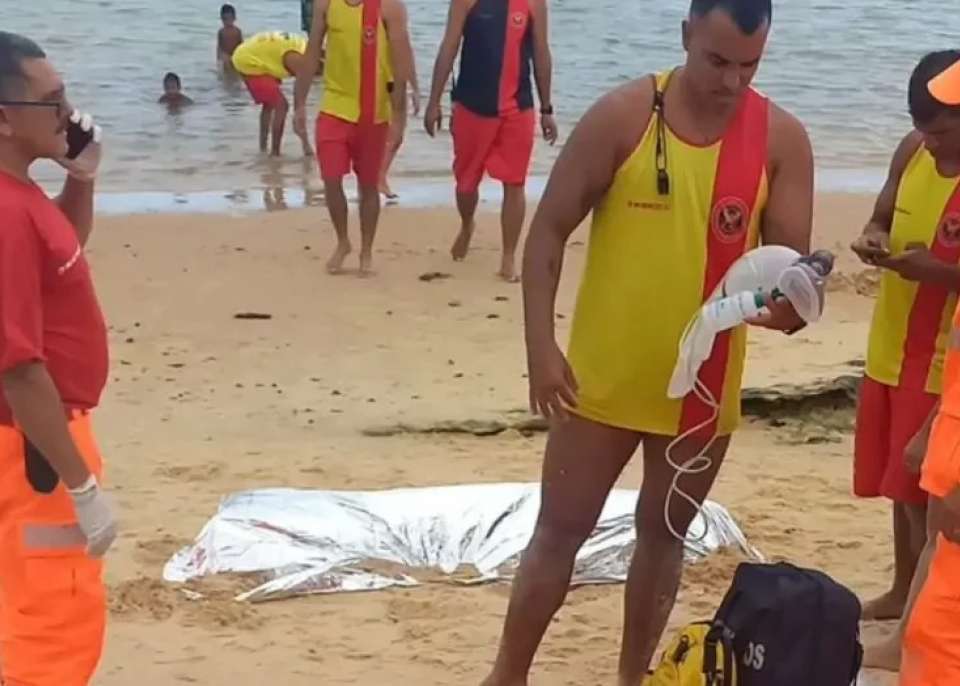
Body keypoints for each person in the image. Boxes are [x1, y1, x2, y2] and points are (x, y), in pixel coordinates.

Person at [479, 1, 815, 684]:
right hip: (600, 378)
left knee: (663, 537)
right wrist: (541, 349)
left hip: (702, 386)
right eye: (716, 60)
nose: (730, 81)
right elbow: (547, 233)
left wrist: (791, 308)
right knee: (558, 532)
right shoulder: (623, 116)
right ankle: (507, 675)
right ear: (686, 35)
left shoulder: (782, 139)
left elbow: (786, 278)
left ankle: (632, 679)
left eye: (748, 65)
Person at [0, 31, 117, 686]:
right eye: (52, 102)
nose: (69, 114)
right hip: (35, 451)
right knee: (55, 623)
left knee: (35, 602)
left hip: (42, 437)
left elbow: (63, 246)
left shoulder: (21, 197)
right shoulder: (5, 213)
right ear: (4, 119)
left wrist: (82, 178)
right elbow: (18, 367)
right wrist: (80, 485)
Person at [849, 49, 960, 672]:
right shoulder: (912, 150)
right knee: (898, 484)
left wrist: (936, 271)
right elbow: (882, 213)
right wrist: (873, 237)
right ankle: (899, 590)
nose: (929, 142)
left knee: (930, 494)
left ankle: (918, 622)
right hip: (892, 341)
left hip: (943, 355)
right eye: (921, 128)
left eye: (941, 131)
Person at [424, 0, 557, 282]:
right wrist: (434, 102)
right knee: (465, 184)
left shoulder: (534, 3)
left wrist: (547, 109)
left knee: (515, 182)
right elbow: (449, 47)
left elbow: (541, 54)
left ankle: (508, 257)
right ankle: (467, 224)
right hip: (471, 106)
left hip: (517, 108)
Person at [294, 0, 416, 276]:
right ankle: (343, 242)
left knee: (368, 187)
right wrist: (299, 103)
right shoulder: (326, 4)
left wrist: (400, 112)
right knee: (331, 179)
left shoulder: (389, 7)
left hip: (373, 111)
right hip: (334, 107)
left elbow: (400, 60)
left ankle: (366, 250)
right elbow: (312, 52)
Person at [232, 31, 313, 156]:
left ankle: (263, 148)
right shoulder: (299, 61)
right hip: (248, 60)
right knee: (282, 106)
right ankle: (275, 153)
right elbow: (299, 100)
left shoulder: (305, 49)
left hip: (256, 53)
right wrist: (305, 143)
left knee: (269, 103)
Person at [379, 73, 420, 200]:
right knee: (396, 135)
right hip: (392, 78)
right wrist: (415, 87)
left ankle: (374, 180)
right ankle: (379, 179)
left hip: (376, 77)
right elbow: (405, 61)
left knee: (380, 131)